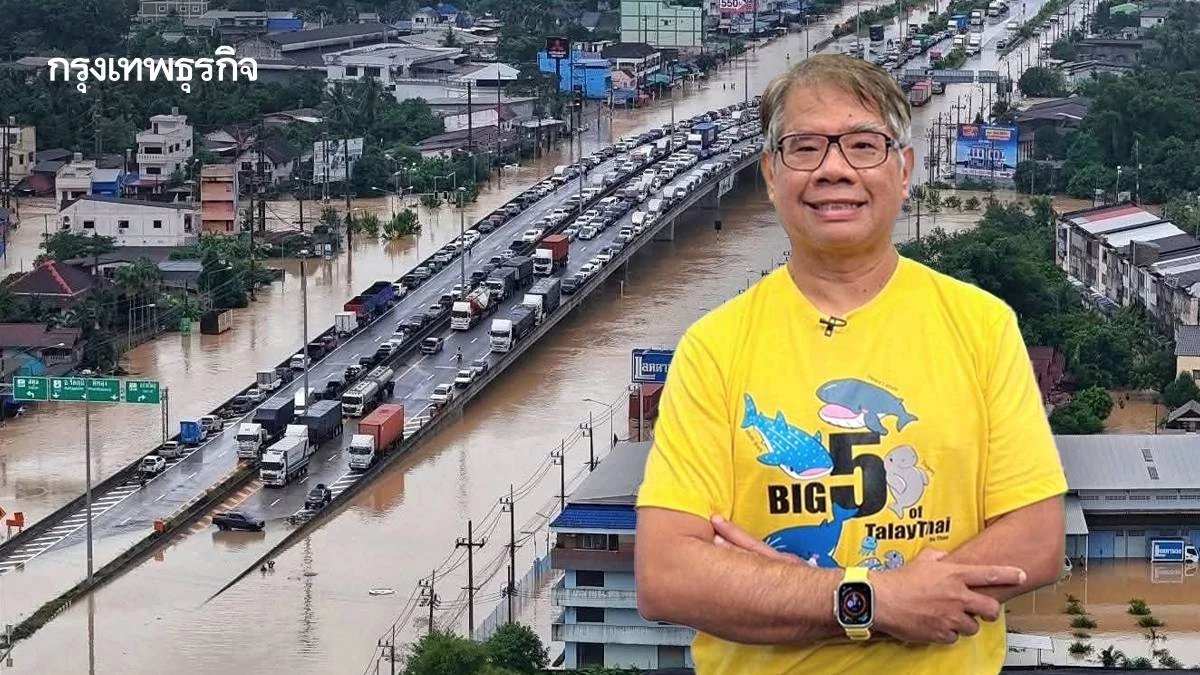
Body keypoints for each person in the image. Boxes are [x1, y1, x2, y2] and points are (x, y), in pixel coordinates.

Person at [635, 54, 1067, 674]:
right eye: (805, 147)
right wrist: (872, 602)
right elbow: (669, 576)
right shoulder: (714, 347)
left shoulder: (981, 326)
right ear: (771, 172)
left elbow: (1037, 540)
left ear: (904, 169)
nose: (834, 169)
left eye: (864, 145)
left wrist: (783, 591)